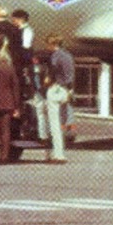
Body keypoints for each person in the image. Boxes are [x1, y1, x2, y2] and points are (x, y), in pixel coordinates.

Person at [44, 35, 75, 163]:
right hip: (65, 90)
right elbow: (70, 76)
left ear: (52, 44)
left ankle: (58, 154)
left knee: (53, 123)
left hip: (56, 89)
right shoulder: (68, 55)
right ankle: (56, 152)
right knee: (62, 121)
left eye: (47, 45)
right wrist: (70, 90)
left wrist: (47, 79)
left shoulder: (55, 56)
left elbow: (52, 71)